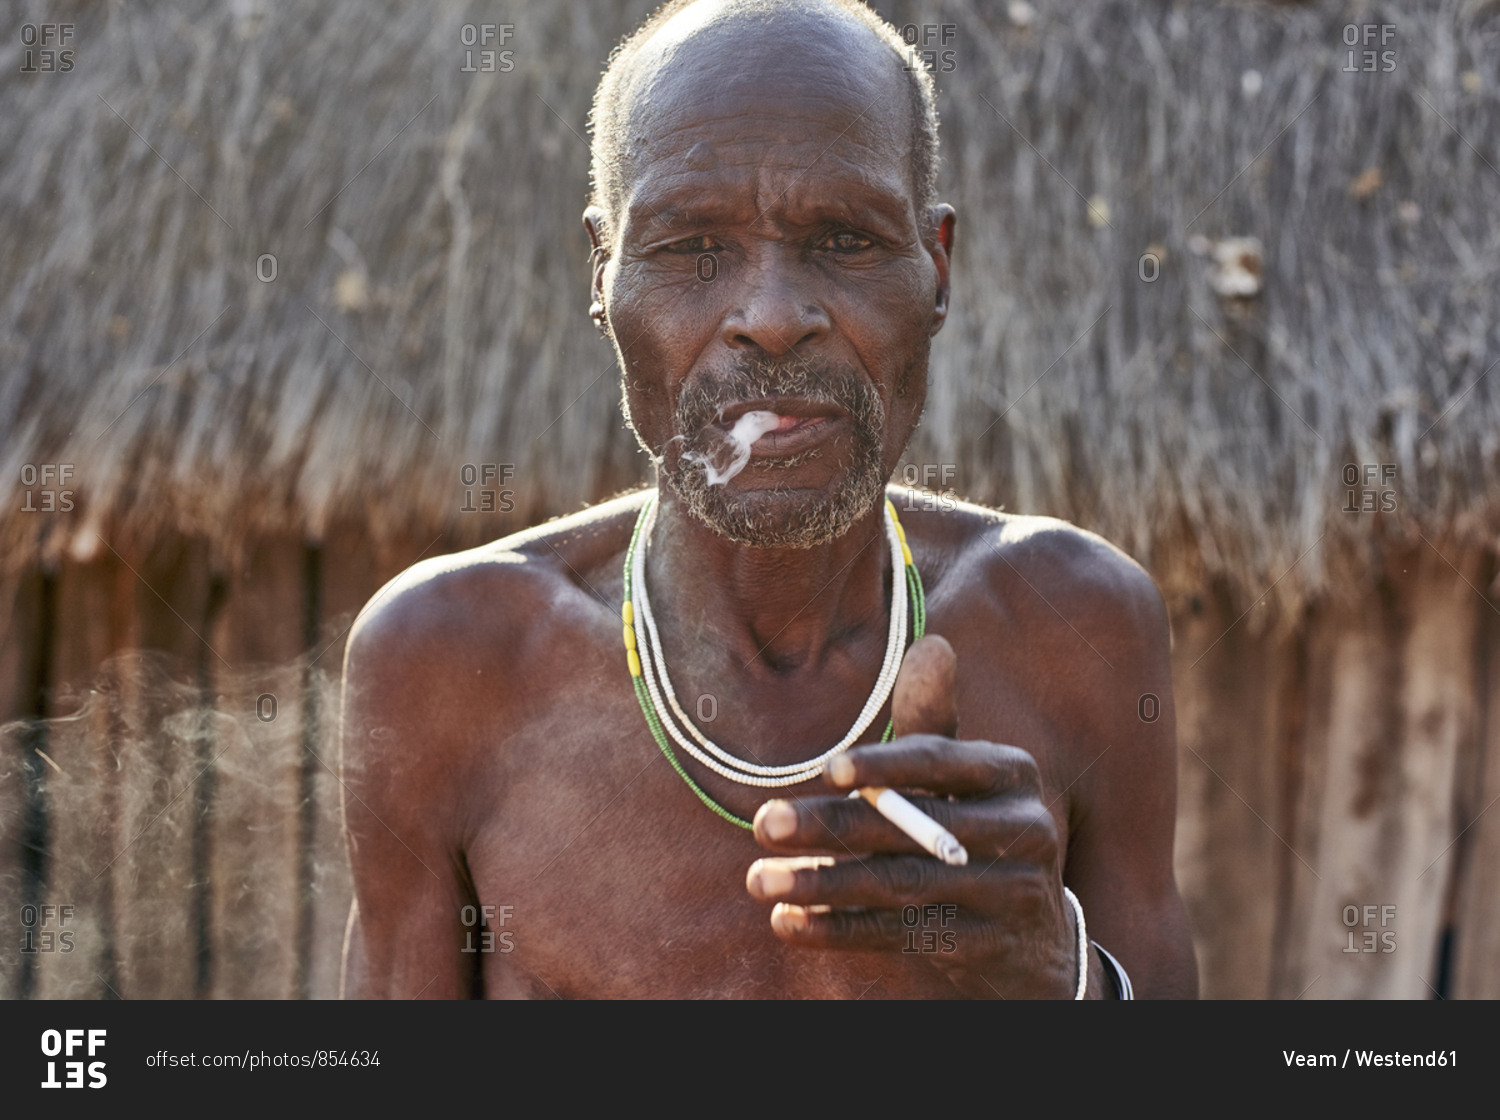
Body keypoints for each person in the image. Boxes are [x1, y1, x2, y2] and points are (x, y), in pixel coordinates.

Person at [338, 0, 1197, 998]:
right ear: (603, 272)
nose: (775, 317)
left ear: (938, 268)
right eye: (692, 247)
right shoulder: (447, 658)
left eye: (844, 238)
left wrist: (1057, 976)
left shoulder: (1076, 628)